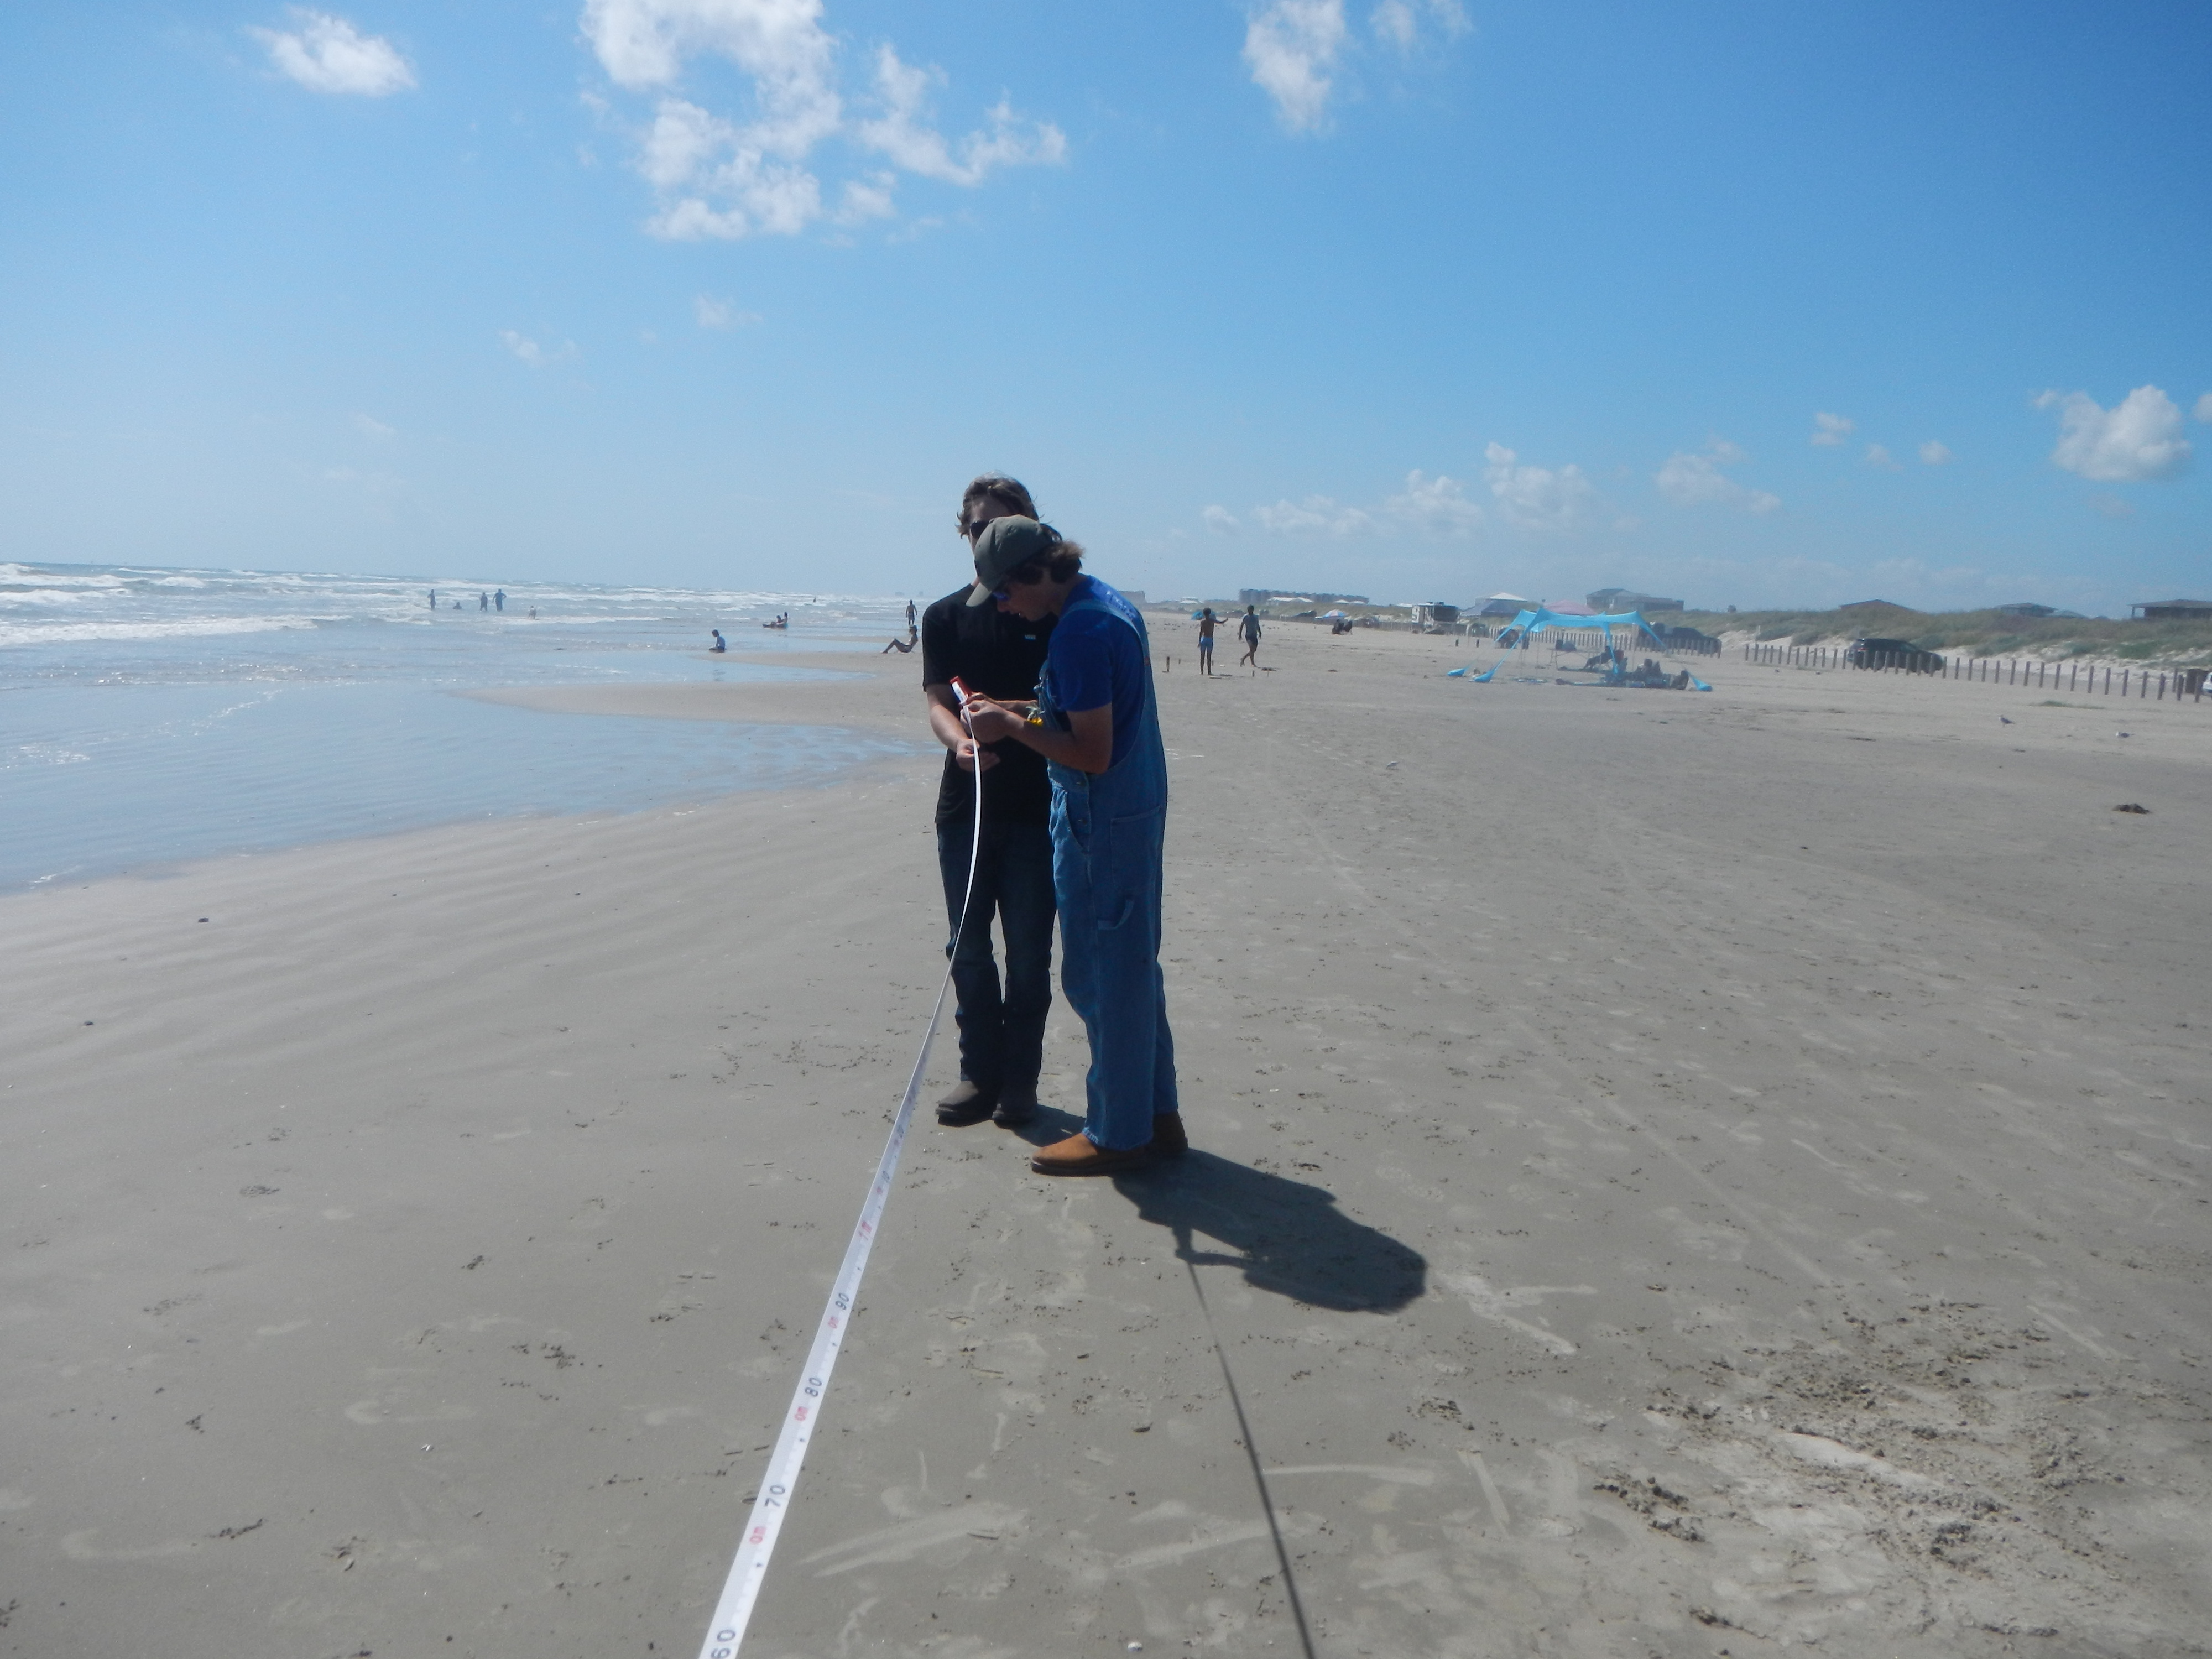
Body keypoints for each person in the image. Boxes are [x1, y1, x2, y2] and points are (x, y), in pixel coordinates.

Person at [961, 515, 1184, 1175]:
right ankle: (1156, 1116)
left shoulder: (1083, 631)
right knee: (1134, 968)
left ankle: (1118, 1133)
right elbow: (1083, 715)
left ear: (1035, 573)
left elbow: (1089, 751)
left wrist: (1006, 724)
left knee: (1102, 976)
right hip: (1130, 810)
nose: (1003, 606)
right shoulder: (1103, 603)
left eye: (1004, 592)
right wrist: (1011, 709)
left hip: (1102, 821)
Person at [921, 476, 1058, 1129]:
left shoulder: (1057, 612)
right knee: (967, 946)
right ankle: (979, 1071)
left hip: (1040, 805)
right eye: (975, 528)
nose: (984, 539)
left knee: (1029, 953)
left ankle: (1019, 1081)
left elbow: (1075, 711)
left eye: (997, 526)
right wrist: (960, 745)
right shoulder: (947, 615)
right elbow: (938, 704)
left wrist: (1007, 718)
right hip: (967, 806)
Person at [1237, 605, 1262, 669]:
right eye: (1248, 610)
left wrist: (1260, 633)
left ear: (1252, 610)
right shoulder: (1245, 617)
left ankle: (1243, 658)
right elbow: (1242, 626)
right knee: (1251, 648)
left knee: (1254, 650)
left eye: (1250, 610)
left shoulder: (1256, 617)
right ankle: (1251, 662)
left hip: (1254, 635)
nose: (1249, 611)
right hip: (1248, 635)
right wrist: (1240, 635)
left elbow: (1257, 625)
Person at [1196, 607, 1217, 675]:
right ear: (1210, 613)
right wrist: (1225, 621)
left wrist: (1199, 641)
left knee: (1202, 656)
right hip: (1210, 639)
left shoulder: (1203, 621)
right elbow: (1220, 622)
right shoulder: (1212, 621)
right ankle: (1209, 672)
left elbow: (1201, 632)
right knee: (1209, 657)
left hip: (1204, 638)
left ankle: (1202, 671)